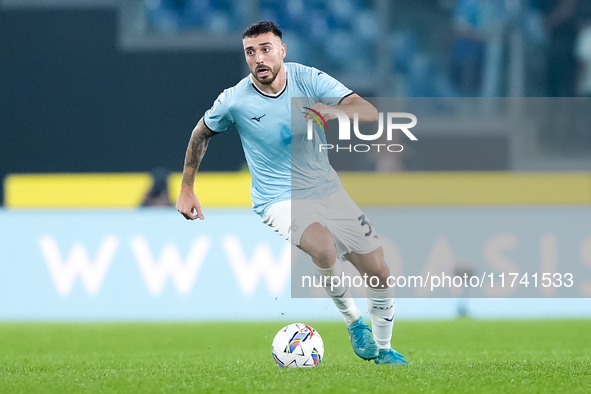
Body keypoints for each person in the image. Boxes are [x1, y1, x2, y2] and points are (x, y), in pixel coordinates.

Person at [175, 21, 407, 365]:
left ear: (282, 51)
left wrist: (332, 110)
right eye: (250, 52)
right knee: (323, 248)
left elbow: (368, 112)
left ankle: (384, 351)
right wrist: (186, 188)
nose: (258, 59)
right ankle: (354, 323)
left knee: (380, 273)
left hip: (328, 190)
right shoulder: (234, 100)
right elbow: (201, 133)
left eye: (265, 49)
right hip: (277, 198)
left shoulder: (308, 79)